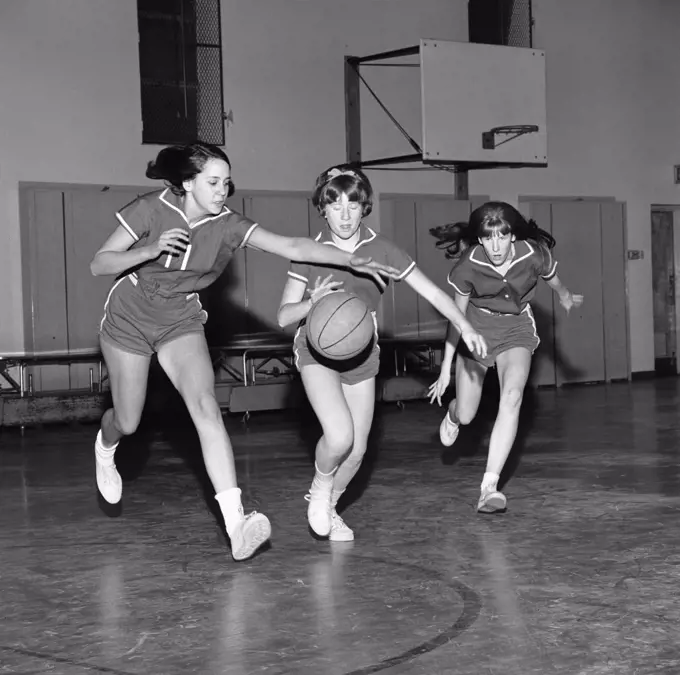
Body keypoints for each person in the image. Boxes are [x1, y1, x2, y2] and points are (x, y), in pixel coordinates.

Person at [90, 143, 402, 562]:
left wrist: (352, 261)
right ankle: (106, 447)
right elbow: (99, 264)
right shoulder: (150, 209)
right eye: (213, 182)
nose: (223, 190)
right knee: (127, 421)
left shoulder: (229, 224)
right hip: (130, 317)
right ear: (187, 183)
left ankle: (236, 524)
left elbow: (294, 247)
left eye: (227, 182)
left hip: (180, 319)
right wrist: (149, 250)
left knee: (206, 408)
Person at [277, 167, 488, 542]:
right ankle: (320, 489)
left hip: (361, 354)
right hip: (316, 350)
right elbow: (283, 316)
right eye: (335, 204)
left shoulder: (384, 249)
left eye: (353, 204)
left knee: (357, 453)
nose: (344, 214)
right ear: (322, 210)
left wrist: (467, 326)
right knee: (339, 437)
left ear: (365, 207)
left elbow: (436, 294)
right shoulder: (310, 251)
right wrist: (313, 302)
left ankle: (331, 505)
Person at [428, 201, 584, 514]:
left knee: (512, 397)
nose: (496, 246)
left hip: (516, 330)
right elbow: (456, 317)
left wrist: (566, 296)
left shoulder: (534, 254)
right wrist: (445, 367)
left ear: (512, 235)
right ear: (479, 239)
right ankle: (455, 415)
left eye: (502, 237)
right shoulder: (466, 266)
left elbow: (554, 281)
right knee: (469, 414)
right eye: (488, 239)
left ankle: (489, 487)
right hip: (476, 331)